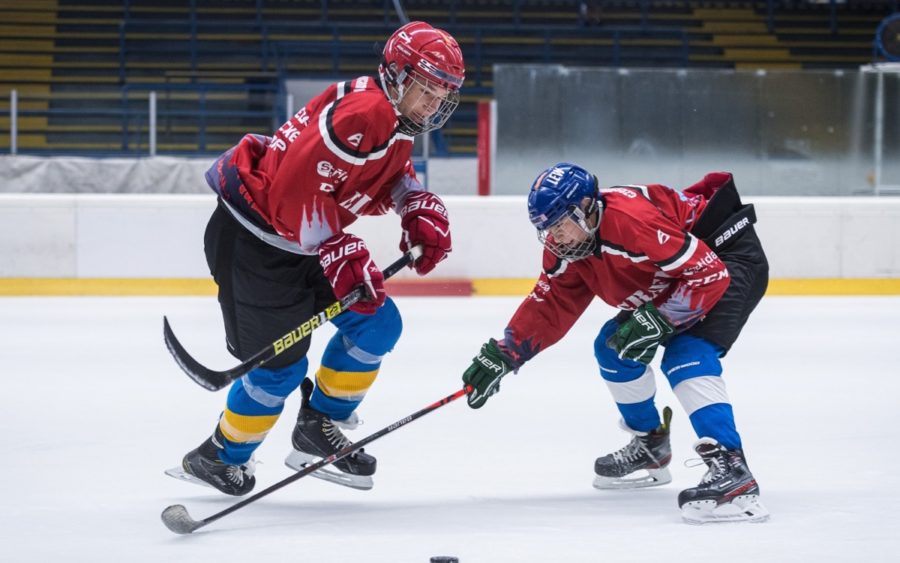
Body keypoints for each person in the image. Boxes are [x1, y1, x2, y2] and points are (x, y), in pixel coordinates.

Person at [168, 21, 465, 496]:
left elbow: (386, 167)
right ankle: (219, 456)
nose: (434, 103)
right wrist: (338, 248)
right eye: (427, 88)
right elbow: (292, 195)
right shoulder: (364, 111)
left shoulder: (393, 115)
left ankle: (316, 428)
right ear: (397, 75)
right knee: (279, 368)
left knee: (376, 323)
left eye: (443, 92)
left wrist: (413, 202)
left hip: (300, 241)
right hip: (256, 244)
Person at [461, 163, 770, 524]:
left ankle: (733, 469)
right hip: (677, 273)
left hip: (725, 257)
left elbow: (708, 273)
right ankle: (651, 444)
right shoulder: (570, 245)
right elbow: (551, 305)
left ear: (587, 208)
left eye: (561, 224)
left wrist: (659, 319)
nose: (555, 237)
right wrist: (506, 353)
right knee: (612, 347)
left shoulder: (630, 221)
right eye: (547, 228)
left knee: (687, 354)